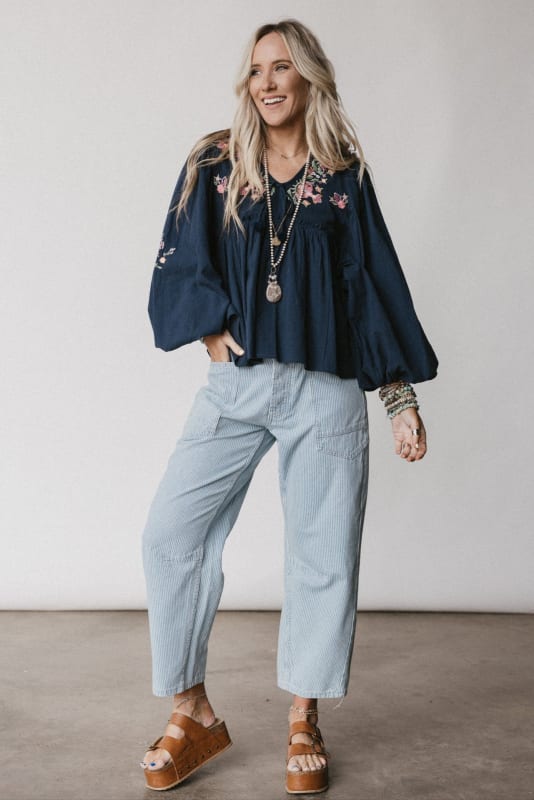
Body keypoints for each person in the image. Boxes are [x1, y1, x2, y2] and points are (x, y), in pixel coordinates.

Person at [139, 18, 438, 795]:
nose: (267, 82)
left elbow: (373, 288)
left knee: (321, 553)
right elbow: (180, 256)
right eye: (256, 70)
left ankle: (304, 716)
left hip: (325, 388)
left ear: (308, 76)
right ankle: (191, 711)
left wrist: (398, 397)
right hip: (237, 386)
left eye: (282, 67)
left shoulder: (342, 176)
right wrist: (207, 327)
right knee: (171, 534)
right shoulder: (215, 163)